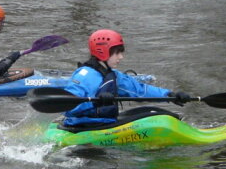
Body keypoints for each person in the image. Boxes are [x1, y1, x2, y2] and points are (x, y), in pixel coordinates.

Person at [62, 29, 191, 127]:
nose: (121, 57)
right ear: (103, 51)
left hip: (105, 124)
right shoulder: (84, 75)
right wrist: (96, 102)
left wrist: (170, 95)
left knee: (161, 115)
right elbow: (68, 107)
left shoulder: (114, 76)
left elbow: (140, 91)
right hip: (81, 127)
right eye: (117, 53)